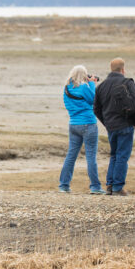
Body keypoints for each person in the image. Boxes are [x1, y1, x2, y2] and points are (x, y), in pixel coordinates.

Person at [94, 57, 135, 196]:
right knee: (122, 156)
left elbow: (96, 108)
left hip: (111, 126)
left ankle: (110, 185)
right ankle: (117, 187)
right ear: (123, 69)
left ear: (111, 69)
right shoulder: (127, 83)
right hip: (125, 125)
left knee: (114, 155)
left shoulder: (101, 86)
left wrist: (107, 122)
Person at [58, 65, 103, 194]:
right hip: (88, 123)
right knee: (91, 157)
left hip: (73, 124)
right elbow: (94, 100)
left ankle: (64, 185)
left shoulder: (67, 88)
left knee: (71, 156)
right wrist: (93, 84)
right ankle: (95, 187)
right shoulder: (84, 87)